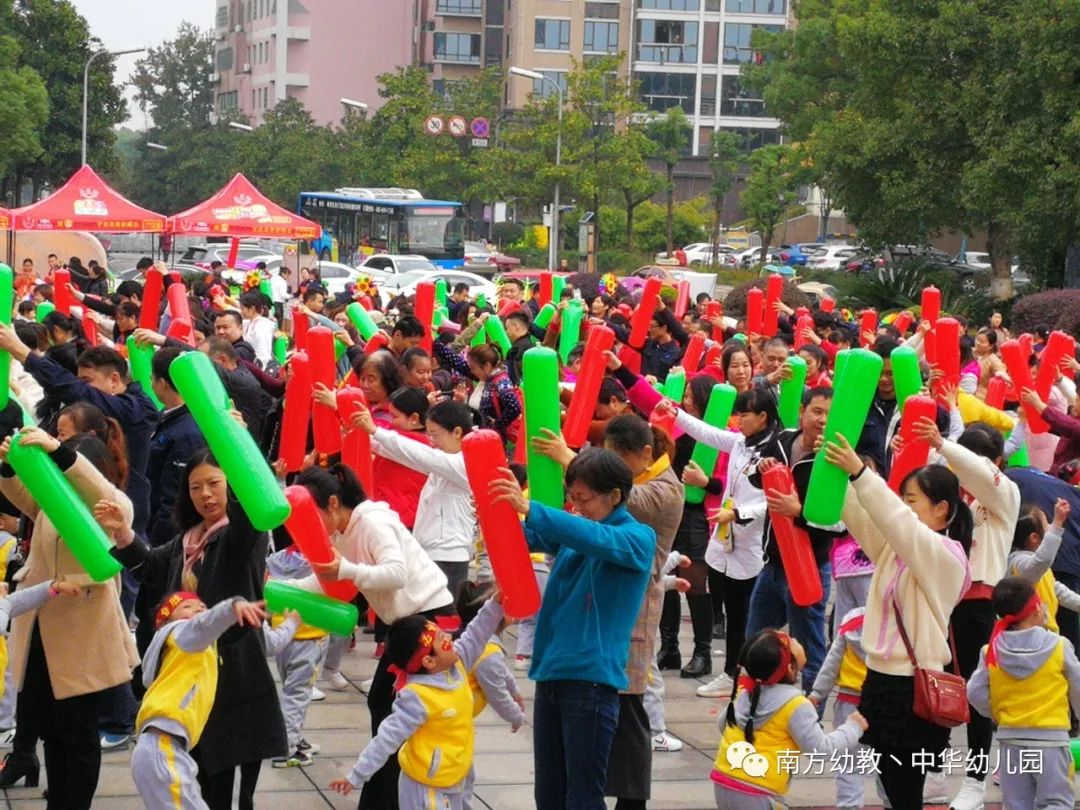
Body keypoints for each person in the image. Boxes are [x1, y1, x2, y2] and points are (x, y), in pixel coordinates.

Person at [104, 448, 287, 810]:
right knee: (195, 790)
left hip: (236, 682)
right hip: (193, 686)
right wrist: (124, 535)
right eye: (195, 487)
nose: (205, 495)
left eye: (214, 484)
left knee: (230, 795)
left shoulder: (241, 536)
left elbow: (249, 512)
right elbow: (149, 569)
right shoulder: (188, 540)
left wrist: (236, 444)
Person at [487, 449, 655, 810]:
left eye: (584, 499)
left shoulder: (637, 538)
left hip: (590, 682)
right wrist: (493, 512)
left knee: (582, 797)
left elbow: (591, 536)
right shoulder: (577, 534)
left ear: (615, 496)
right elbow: (527, 538)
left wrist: (532, 508)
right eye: (572, 498)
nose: (576, 507)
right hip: (552, 675)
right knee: (548, 793)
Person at [287, 464, 455, 810]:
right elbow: (327, 583)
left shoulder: (373, 522)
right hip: (404, 626)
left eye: (311, 515)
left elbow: (396, 572)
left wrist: (346, 569)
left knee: (394, 710)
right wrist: (275, 588)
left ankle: (398, 796)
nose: (309, 527)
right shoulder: (339, 534)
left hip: (429, 621)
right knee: (384, 706)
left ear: (333, 503)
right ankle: (386, 797)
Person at [826, 434, 972, 809]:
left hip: (913, 687)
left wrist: (861, 474)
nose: (904, 508)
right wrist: (832, 471)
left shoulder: (946, 556)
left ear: (942, 509)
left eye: (912, 501)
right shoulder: (897, 550)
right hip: (879, 681)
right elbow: (866, 518)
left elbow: (898, 522)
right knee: (891, 784)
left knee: (905, 789)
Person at [0, 429, 140, 810]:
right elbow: (23, 498)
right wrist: (10, 466)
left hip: (82, 638)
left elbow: (116, 505)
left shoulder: (107, 507)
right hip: (42, 633)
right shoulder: (53, 503)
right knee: (52, 731)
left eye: (65, 467)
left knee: (77, 735)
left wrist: (61, 452)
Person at [912, 418, 1020, 809]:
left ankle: (975, 780)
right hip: (944, 600)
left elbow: (979, 472)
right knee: (935, 685)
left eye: (973, 462)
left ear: (993, 462)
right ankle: (936, 771)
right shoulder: (958, 503)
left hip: (980, 604)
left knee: (975, 696)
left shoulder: (1005, 495)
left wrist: (944, 444)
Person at [328, 595, 506, 805]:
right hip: (424, 786)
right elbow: (386, 738)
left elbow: (477, 633)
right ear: (429, 661)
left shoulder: (456, 665)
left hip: (456, 773)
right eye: (443, 640)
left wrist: (496, 603)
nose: (450, 638)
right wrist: (356, 775)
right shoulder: (417, 697)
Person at [659, 388, 778, 699]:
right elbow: (707, 432)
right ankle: (734, 672)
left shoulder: (775, 451)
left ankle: (740, 674)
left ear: (763, 417)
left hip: (751, 546)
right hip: (724, 542)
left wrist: (738, 513)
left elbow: (773, 501)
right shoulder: (740, 441)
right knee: (727, 607)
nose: (739, 420)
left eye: (745, 414)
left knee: (745, 615)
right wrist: (676, 413)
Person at [744, 387, 844, 694]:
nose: (822, 420)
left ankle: (809, 724)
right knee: (755, 643)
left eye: (829, 413)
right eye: (816, 411)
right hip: (773, 562)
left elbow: (841, 524)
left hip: (808, 567)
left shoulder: (834, 458)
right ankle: (753, 708)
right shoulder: (783, 439)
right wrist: (760, 470)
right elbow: (753, 475)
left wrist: (798, 512)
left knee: (811, 653)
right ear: (802, 411)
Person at [130, 593, 269, 810]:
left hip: (166, 749)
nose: (197, 609)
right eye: (186, 606)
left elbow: (268, 643)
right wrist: (231, 607)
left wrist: (290, 626)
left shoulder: (187, 652)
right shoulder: (181, 634)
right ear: (166, 620)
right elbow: (203, 625)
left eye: (202, 605)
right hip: (163, 748)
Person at [712, 630, 867, 809]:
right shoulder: (794, 704)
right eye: (790, 642)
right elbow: (821, 751)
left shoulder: (744, 691)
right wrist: (853, 727)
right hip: (757, 791)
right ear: (790, 667)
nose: (794, 639)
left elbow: (723, 724)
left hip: (722, 781)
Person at [967, 576, 1080, 810]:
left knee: (1016, 804)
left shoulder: (991, 650)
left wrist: (997, 711)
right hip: (1051, 742)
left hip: (1011, 741)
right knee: (1056, 802)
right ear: (1036, 607)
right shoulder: (1059, 646)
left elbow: (975, 693)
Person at [349, 399, 476, 600]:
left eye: (435, 434)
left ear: (457, 432)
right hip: (431, 552)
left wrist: (376, 431)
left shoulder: (463, 463)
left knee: (445, 624)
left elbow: (419, 454)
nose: (431, 441)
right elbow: (402, 455)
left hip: (449, 556)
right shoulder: (444, 462)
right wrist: (364, 433)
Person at [265, 546, 329, 768]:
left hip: (283, 635)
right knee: (297, 695)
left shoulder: (277, 560)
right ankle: (286, 749)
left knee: (291, 691)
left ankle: (292, 737)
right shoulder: (321, 559)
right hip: (310, 637)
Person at [238, 291, 275, 368]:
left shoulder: (262, 326)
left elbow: (263, 354)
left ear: (252, 308)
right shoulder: (249, 322)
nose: (241, 312)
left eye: (242, 309)